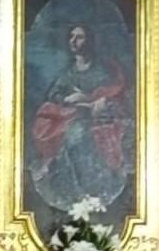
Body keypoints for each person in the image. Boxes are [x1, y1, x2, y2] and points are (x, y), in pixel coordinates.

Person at [29, 23, 133, 211]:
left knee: (78, 135)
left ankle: (91, 190)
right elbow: (55, 94)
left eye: (79, 37)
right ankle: (73, 190)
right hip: (71, 117)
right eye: (72, 37)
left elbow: (112, 95)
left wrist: (90, 101)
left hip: (98, 120)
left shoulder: (100, 71)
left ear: (89, 41)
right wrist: (72, 100)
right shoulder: (69, 73)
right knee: (69, 131)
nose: (74, 41)